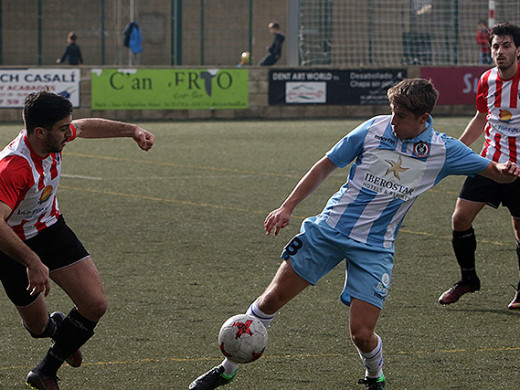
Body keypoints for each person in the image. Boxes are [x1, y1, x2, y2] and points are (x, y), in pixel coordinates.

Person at [188, 78, 520, 390]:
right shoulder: (374, 128)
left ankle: (374, 377)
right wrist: (287, 207)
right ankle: (226, 370)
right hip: (328, 231)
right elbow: (325, 165)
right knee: (270, 300)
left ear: (423, 118)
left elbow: (493, 172)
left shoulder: (443, 150)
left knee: (362, 334)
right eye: (392, 113)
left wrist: (505, 172)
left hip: (375, 249)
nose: (393, 122)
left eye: (401, 117)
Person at [0, 91, 154, 390]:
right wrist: (31, 260)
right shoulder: (12, 168)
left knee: (95, 304)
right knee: (37, 326)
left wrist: (132, 131)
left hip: (51, 230)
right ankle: (57, 328)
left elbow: (84, 127)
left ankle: (45, 370)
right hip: (12, 246)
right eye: (62, 128)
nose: (68, 133)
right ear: (40, 132)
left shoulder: (54, 136)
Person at [438, 22, 520, 309]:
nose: (499, 51)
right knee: (460, 218)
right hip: (488, 163)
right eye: (495, 46)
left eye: (506, 45)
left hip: (519, 169)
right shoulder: (486, 80)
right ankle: (468, 279)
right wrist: (458, 149)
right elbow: (481, 117)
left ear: (518, 50)